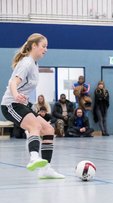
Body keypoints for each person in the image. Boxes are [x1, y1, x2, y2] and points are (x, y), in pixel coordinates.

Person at [0, 33, 64, 179]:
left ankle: (46, 169)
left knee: (48, 128)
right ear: (34, 45)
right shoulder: (26, 62)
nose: (46, 49)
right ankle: (34, 158)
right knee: (34, 126)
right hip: (11, 104)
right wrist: (16, 95)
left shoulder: (34, 64)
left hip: (22, 104)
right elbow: (13, 83)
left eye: (46, 47)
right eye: (43, 46)